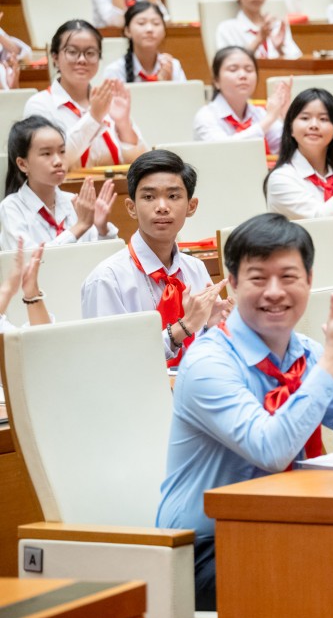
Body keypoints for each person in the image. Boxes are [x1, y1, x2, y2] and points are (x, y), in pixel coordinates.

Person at [157, 212, 333, 611]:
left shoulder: (309, 354)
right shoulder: (208, 363)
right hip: (205, 551)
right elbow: (272, 450)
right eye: (258, 278)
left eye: (288, 277)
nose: (274, 292)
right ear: (232, 284)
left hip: (289, 527)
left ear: (309, 281)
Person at [81, 151, 229, 364]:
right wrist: (183, 328)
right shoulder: (107, 279)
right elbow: (110, 362)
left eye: (173, 196)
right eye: (149, 197)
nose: (161, 207)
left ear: (191, 206)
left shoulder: (196, 268)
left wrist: (213, 329)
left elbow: (206, 351)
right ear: (131, 208)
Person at [24, 20, 145, 168]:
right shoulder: (39, 104)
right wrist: (93, 118)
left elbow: (142, 163)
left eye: (90, 53)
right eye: (72, 52)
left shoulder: (108, 99)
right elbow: (51, 162)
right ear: (55, 57)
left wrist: (123, 123)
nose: (82, 60)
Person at [0, 116, 117, 249]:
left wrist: (102, 229)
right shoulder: (11, 208)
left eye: (62, 152)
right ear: (22, 164)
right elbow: (31, 261)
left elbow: (102, 258)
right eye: (46, 154)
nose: (58, 161)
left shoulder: (74, 202)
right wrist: (80, 226)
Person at [265, 88, 333, 223]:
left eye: (323, 119)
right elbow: (323, 221)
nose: (314, 125)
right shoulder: (281, 178)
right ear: (290, 128)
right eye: (305, 118)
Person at [193, 47, 290, 151]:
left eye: (249, 70)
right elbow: (224, 151)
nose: (243, 75)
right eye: (233, 69)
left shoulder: (259, 113)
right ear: (216, 80)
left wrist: (286, 118)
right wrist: (270, 119)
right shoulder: (206, 115)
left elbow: (282, 148)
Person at [215, 0, 300, 60]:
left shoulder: (276, 25)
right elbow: (228, 64)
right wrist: (259, 40)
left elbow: (297, 60)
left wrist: (280, 50)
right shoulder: (227, 29)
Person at [103, 2, 185, 83]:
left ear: (164, 31)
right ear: (127, 31)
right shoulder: (116, 70)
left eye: (156, 23)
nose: (149, 29)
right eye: (141, 23)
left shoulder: (173, 66)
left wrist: (168, 83)